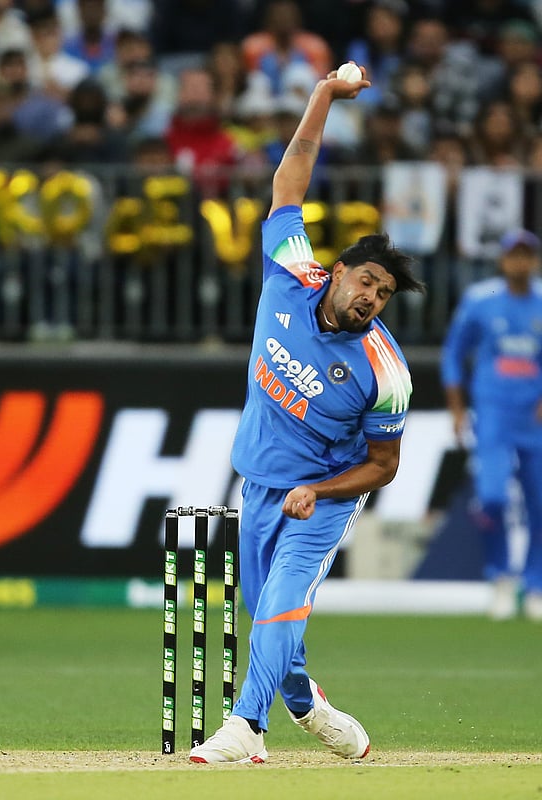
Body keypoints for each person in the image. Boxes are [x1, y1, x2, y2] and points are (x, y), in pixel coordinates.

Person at [190, 65, 425, 764]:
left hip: (320, 497)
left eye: (383, 294)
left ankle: (245, 728)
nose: (371, 299)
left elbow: (384, 466)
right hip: (260, 481)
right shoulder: (291, 271)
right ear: (337, 270)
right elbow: (290, 178)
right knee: (266, 618)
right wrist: (323, 94)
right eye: (366, 281)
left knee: (283, 604)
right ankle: (309, 708)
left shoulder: (387, 374)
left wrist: (319, 492)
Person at [441, 229, 542, 621]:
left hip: (533, 419)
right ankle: (501, 577)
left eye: (527, 255)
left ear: (533, 260)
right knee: (493, 497)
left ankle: (534, 585)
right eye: (513, 254)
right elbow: (453, 353)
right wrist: (456, 408)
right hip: (494, 414)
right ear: (502, 260)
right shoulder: (482, 300)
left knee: (539, 504)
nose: (520, 262)